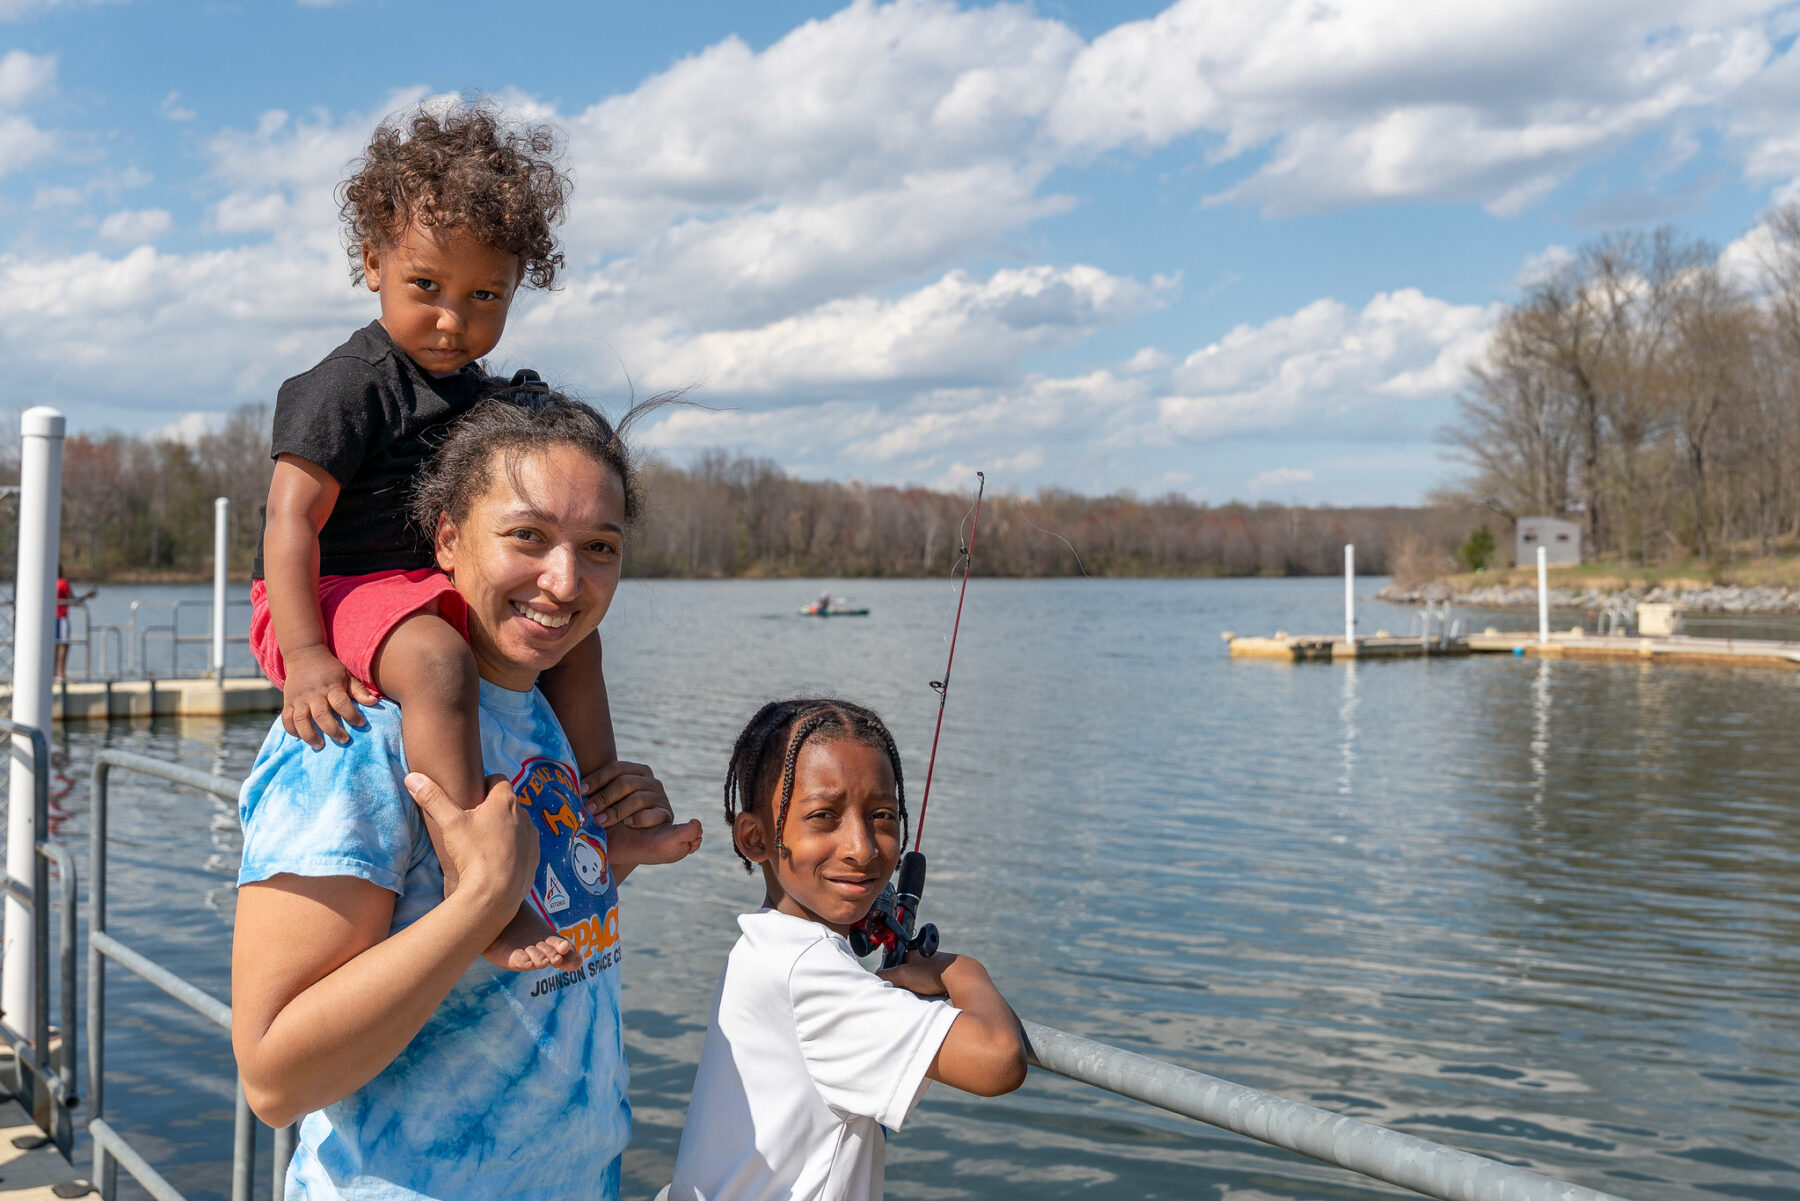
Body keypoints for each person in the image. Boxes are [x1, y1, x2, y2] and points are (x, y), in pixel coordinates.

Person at [232, 389, 702, 1200]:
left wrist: (602, 858)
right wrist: (478, 901)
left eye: (599, 546)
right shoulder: (357, 734)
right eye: (529, 536)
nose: (565, 580)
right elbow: (275, 1078)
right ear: (447, 536)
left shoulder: (543, 713)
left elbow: (525, 944)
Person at [250, 103, 611, 971]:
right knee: (439, 663)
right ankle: (472, 884)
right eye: (427, 289)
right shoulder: (349, 386)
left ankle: (602, 806)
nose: (454, 320)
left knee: (574, 636)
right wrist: (305, 654)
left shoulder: (481, 396)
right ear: (372, 262)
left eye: (484, 296)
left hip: (421, 590)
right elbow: (289, 519)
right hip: (330, 594)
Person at [669, 699, 1026, 1201]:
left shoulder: (762, 945)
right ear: (755, 838)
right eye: (823, 816)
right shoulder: (811, 974)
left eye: (881, 815)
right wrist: (960, 970)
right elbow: (998, 1062)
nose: (861, 847)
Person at [52, 565, 96, 681]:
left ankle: (53, 672)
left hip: (50, 618)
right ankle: (61, 674)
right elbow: (72, 600)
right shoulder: (62, 583)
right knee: (64, 644)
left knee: (55, 645)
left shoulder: (49, 583)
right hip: (61, 617)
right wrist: (86, 596)